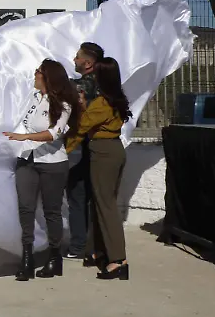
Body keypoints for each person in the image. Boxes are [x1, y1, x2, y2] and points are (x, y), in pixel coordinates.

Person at [4, 59, 80, 281]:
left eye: (38, 72)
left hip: (52, 163)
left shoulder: (64, 103)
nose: (34, 75)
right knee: (25, 209)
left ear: (48, 77)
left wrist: (24, 136)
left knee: (51, 211)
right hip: (27, 159)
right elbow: (23, 123)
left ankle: (55, 256)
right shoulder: (34, 98)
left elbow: (54, 133)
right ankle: (26, 257)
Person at [67, 57, 131, 280]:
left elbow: (82, 127)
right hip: (112, 149)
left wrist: (60, 150)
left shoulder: (103, 103)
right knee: (100, 203)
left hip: (102, 151)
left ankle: (118, 260)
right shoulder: (116, 99)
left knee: (106, 206)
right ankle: (96, 251)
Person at [64, 41, 104, 261]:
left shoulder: (83, 86)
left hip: (81, 145)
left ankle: (79, 246)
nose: (74, 60)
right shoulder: (107, 83)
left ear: (88, 63)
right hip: (101, 146)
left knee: (78, 196)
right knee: (97, 198)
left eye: (78, 57)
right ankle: (96, 245)